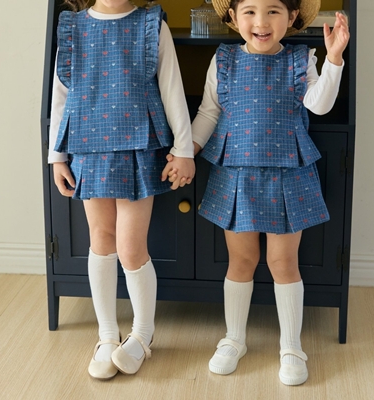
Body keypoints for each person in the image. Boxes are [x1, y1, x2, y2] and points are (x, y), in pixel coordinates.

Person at [168, 0, 349, 386]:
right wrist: (186, 151)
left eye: (273, 11)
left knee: (283, 262)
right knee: (241, 260)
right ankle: (234, 339)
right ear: (233, 17)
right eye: (250, 11)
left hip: (288, 172)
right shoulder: (224, 60)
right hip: (236, 171)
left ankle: (292, 346)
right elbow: (209, 113)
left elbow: (319, 106)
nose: (261, 21)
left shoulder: (301, 59)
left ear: (292, 17)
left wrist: (333, 59)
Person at [48, 0, 195, 380]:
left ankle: (142, 334)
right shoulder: (72, 28)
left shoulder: (150, 24)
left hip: (137, 145)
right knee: (101, 240)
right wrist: (56, 156)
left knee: (131, 247)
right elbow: (62, 96)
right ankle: (107, 336)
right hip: (88, 146)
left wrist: (183, 150)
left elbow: (172, 87)